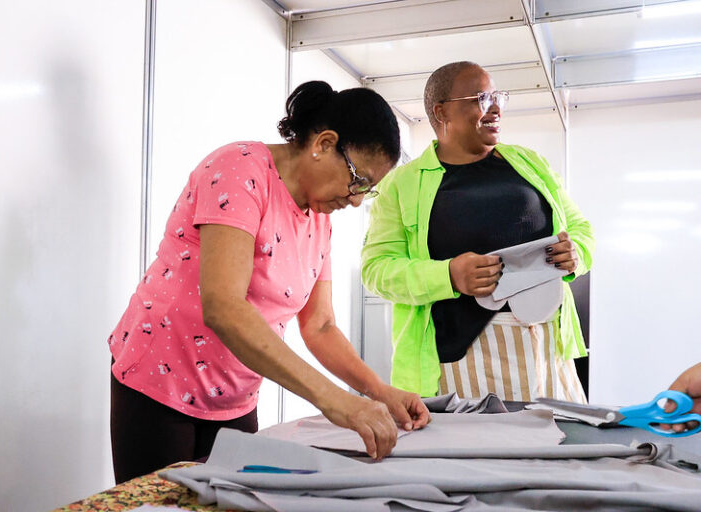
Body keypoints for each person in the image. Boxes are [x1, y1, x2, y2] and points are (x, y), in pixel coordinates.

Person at [108, 81, 430, 483]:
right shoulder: (239, 170)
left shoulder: (320, 221)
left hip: (235, 393)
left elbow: (320, 325)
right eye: (357, 180)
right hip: (161, 379)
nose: (356, 200)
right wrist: (334, 400)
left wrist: (378, 392)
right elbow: (224, 307)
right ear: (324, 143)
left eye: (368, 190)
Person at [362, 61, 594, 404]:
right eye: (481, 98)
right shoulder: (402, 184)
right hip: (462, 361)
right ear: (442, 112)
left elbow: (580, 229)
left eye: (497, 96)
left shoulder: (530, 164)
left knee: (557, 450)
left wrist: (576, 254)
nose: (496, 108)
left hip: (546, 350)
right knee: (475, 454)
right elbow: (376, 270)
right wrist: (448, 275)